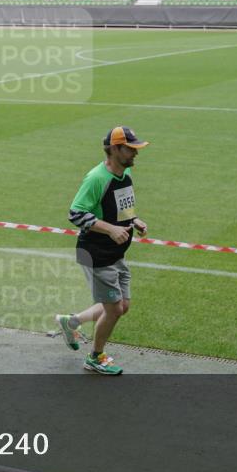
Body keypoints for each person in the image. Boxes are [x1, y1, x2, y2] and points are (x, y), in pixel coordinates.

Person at [57, 126, 149, 375]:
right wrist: (109, 229)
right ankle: (95, 357)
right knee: (114, 309)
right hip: (97, 253)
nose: (135, 154)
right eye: (131, 149)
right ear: (116, 149)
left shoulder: (124, 173)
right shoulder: (97, 178)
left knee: (122, 306)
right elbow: (75, 213)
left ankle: (71, 322)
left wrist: (134, 220)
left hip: (115, 254)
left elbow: (119, 206)